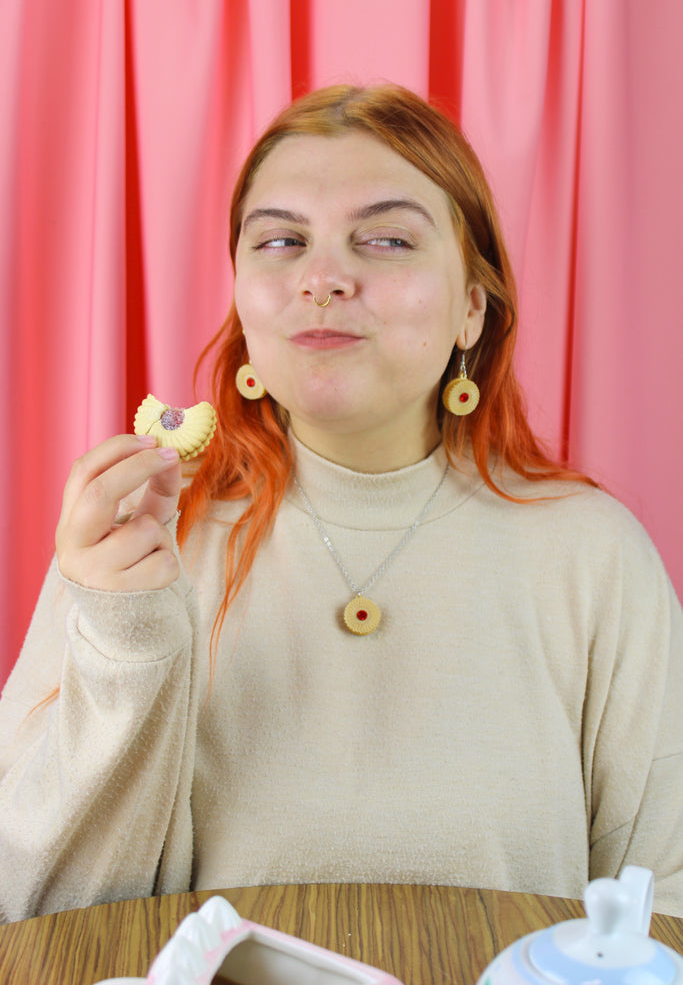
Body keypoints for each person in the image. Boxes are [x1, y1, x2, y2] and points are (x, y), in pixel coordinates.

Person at [0, 84, 681, 924]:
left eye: (387, 240)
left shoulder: (593, 555)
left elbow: (667, 903)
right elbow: (34, 911)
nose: (321, 279)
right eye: (281, 241)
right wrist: (124, 637)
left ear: (472, 306)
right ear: (244, 306)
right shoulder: (141, 544)